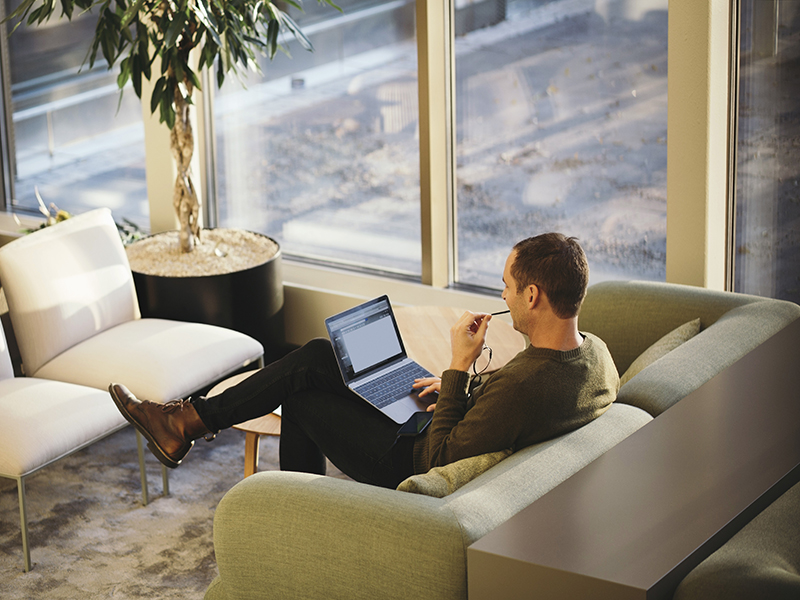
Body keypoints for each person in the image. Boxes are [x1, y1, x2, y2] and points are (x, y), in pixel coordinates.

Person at [109, 233, 619, 490]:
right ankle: (187, 421)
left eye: (506, 288)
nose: (501, 297)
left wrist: (458, 367)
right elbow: (504, 410)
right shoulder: (594, 356)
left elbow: (438, 459)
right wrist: (453, 392)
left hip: (409, 458)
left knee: (302, 397)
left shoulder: (527, 383)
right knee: (313, 356)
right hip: (437, 420)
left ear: (532, 295)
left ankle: (201, 436)